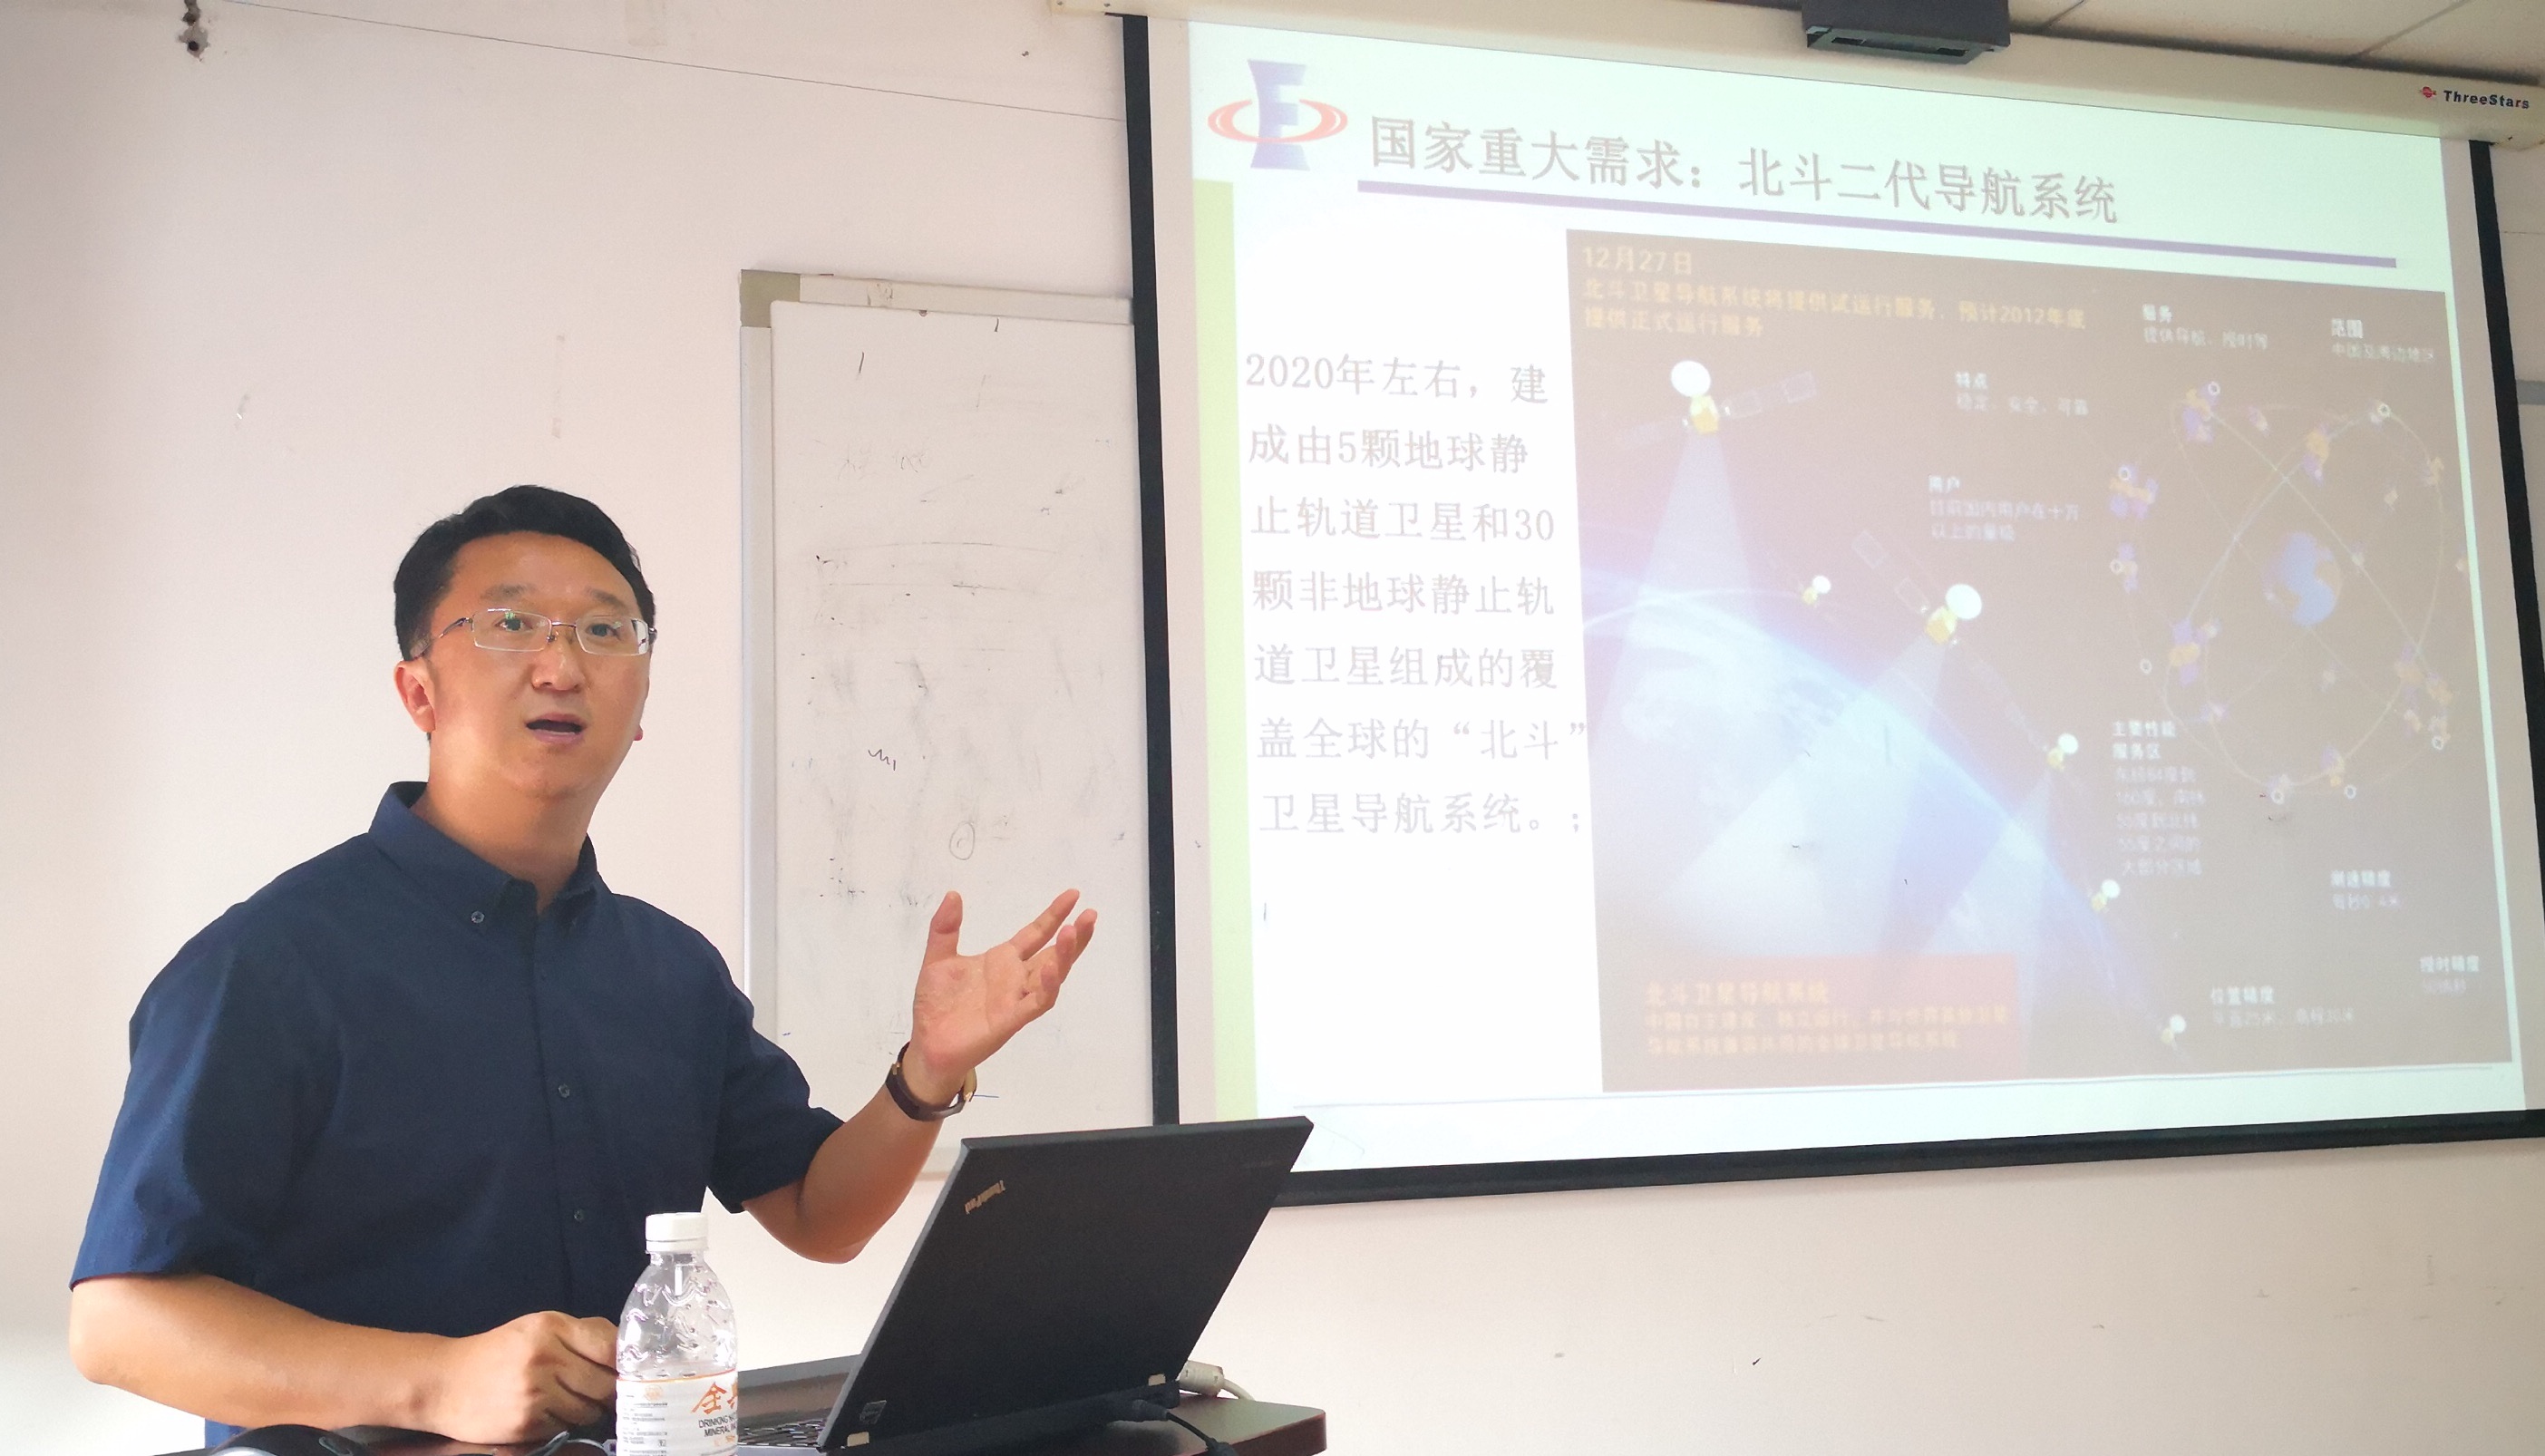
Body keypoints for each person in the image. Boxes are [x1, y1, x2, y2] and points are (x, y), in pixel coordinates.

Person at [66, 486, 1097, 1447]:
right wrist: (437, 1381)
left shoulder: (667, 971)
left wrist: (926, 1071)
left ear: (639, 705)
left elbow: (820, 1216)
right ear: (418, 691)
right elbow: (119, 1323)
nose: (561, 667)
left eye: (605, 631)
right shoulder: (268, 964)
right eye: (510, 624)